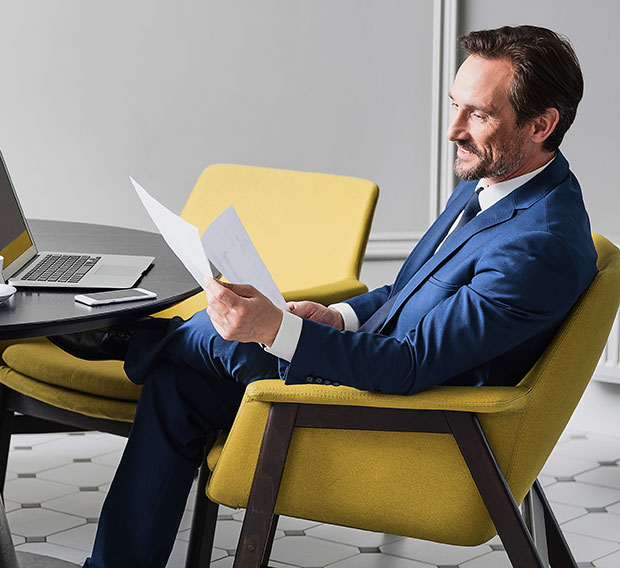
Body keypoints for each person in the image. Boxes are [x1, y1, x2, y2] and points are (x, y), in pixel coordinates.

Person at [48, 25, 595, 568]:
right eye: (455, 105)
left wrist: (273, 330)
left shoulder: (539, 245)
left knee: (234, 342)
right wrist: (338, 317)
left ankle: (127, 338)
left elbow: (411, 364)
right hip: (373, 367)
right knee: (177, 386)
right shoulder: (493, 185)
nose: (453, 129)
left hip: (405, 419)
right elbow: (413, 290)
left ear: (541, 125)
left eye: (478, 114)